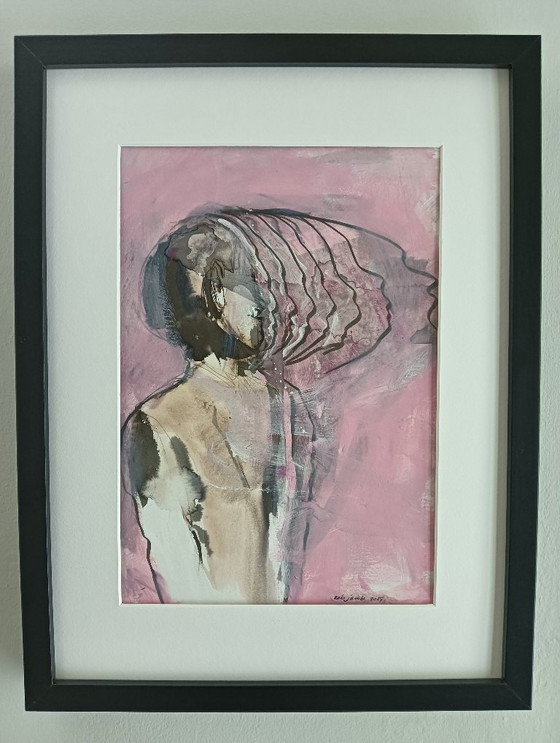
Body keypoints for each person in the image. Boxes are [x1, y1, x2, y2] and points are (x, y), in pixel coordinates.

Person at [121, 207, 437, 604]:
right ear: (214, 295)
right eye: (251, 282)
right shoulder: (157, 424)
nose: (268, 301)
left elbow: (282, 553)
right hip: (209, 633)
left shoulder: (287, 409)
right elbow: (176, 572)